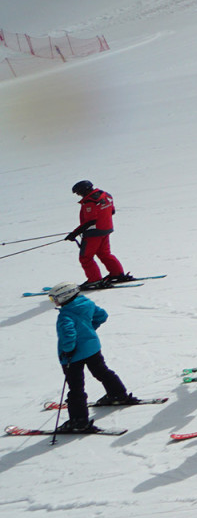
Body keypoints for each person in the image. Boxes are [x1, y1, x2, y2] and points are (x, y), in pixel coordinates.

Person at [50, 282, 139, 433]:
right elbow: (102, 315)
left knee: (76, 387)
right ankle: (117, 394)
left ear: (65, 296)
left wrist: (68, 350)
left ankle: (78, 421)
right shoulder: (87, 304)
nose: (54, 302)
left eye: (54, 299)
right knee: (102, 371)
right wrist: (90, 329)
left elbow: (68, 334)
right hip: (92, 348)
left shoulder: (66, 315)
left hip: (74, 356)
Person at [66, 180, 131, 290]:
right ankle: (117, 274)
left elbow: (90, 221)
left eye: (79, 193)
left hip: (93, 233)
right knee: (104, 253)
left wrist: (74, 233)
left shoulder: (90, 202)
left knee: (85, 258)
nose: (79, 195)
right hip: (106, 229)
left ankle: (94, 280)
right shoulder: (106, 195)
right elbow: (112, 211)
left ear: (84, 190)